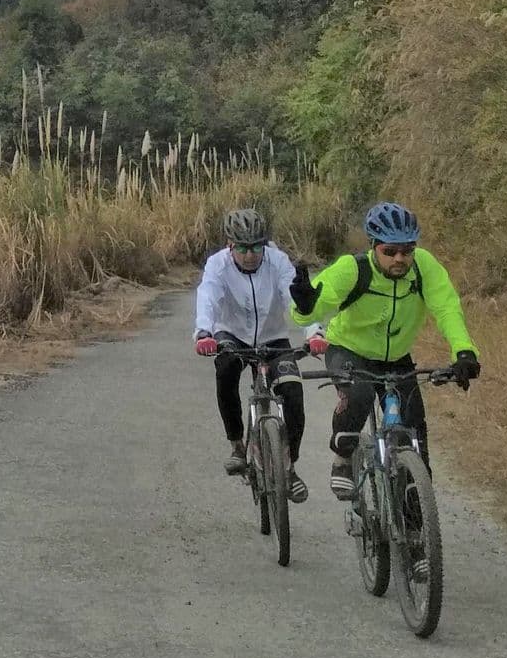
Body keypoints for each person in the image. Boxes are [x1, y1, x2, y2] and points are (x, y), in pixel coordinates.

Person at [288, 201, 481, 501]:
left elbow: (446, 308)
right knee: (360, 394)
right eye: (390, 251)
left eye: (407, 250)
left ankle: (417, 528)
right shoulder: (353, 269)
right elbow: (312, 310)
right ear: (374, 246)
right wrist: (305, 304)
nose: (399, 258)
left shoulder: (423, 267)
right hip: (349, 350)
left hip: (396, 358)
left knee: (414, 427)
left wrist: (464, 352)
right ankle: (342, 459)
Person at [194, 208, 310, 502]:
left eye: (256, 247)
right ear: (230, 244)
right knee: (227, 371)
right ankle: (237, 444)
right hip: (231, 334)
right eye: (242, 248)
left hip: (274, 337)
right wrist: (204, 333)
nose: (249, 254)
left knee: (293, 393)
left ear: (265, 245)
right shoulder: (217, 265)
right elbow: (208, 296)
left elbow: (295, 298)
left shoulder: (278, 261)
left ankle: (289, 466)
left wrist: (315, 333)